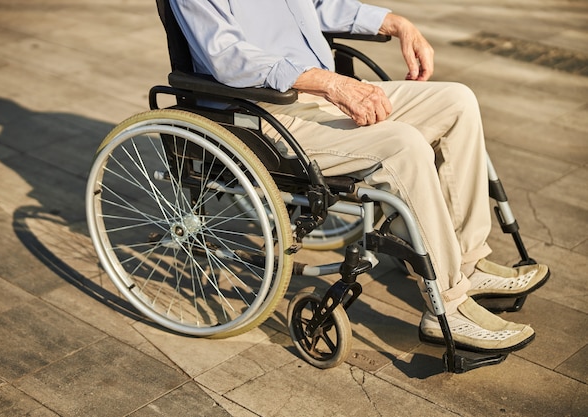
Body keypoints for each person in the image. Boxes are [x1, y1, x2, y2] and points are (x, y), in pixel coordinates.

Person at [168, 0, 549, 353]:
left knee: (457, 101)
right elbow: (226, 57)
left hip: (320, 94)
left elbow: (318, 6)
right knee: (404, 144)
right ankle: (447, 306)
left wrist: (396, 24)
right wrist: (330, 83)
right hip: (266, 112)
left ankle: (467, 261)